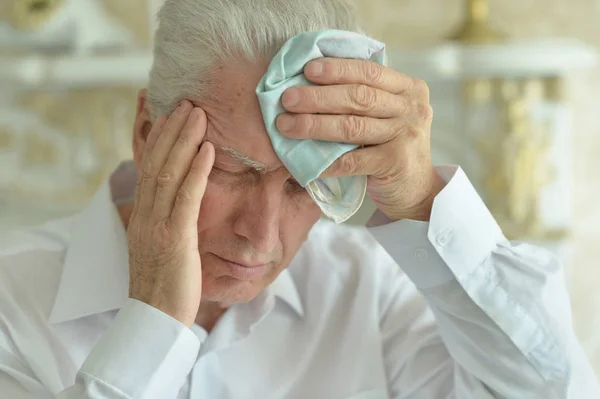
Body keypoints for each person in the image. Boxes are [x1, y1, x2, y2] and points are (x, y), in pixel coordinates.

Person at [0, 0, 598, 397]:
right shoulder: (11, 302)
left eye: (305, 184)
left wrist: (420, 202)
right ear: (148, 132)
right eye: (233, 171)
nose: (261, 236)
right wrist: (155, 314)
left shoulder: (372, 295)